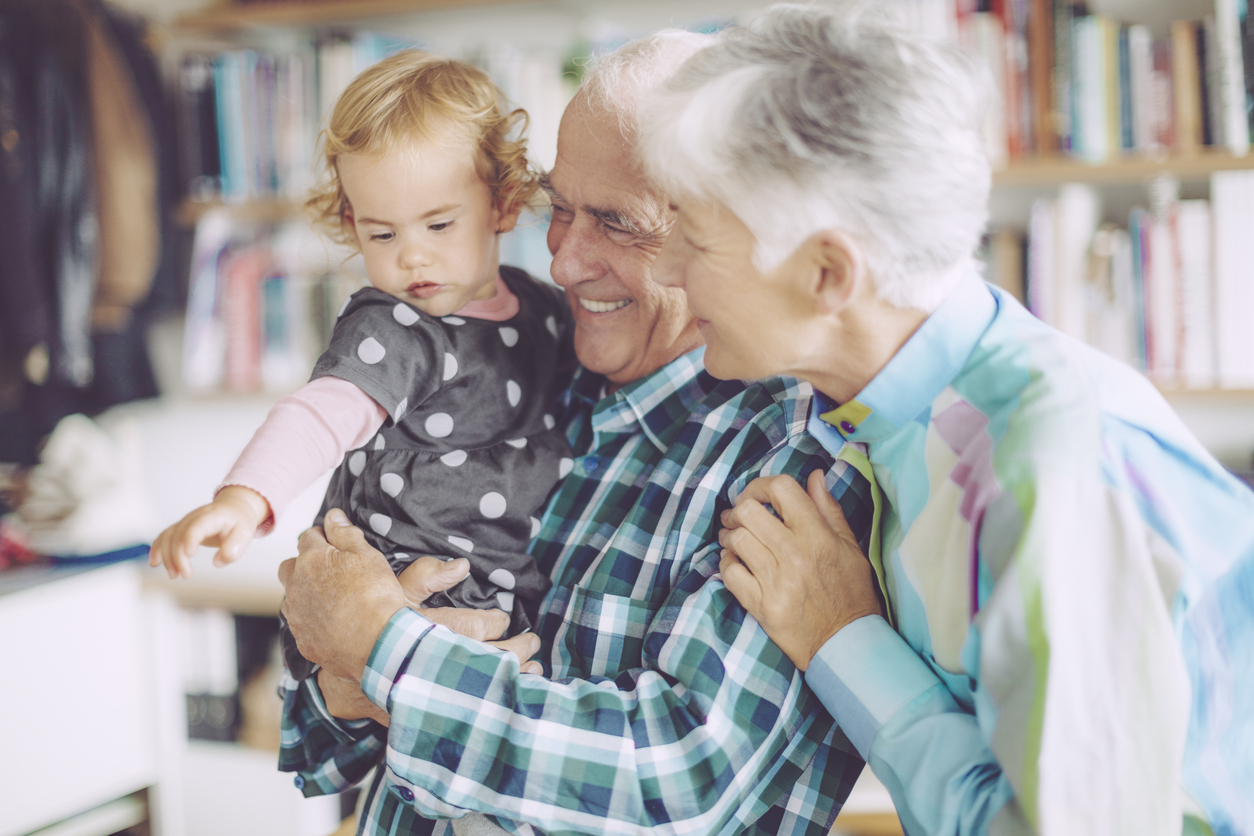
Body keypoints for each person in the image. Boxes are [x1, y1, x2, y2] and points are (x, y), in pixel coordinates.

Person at [638, 5, 1254, 835]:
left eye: (697, 241)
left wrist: (843, 638)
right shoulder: (873, 411)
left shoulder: (1051, 471)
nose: (666, 269)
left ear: (827, 274)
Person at [277, 31, 879, 836]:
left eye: (617, 223)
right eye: (559, 208)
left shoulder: (788, 458)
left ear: (726, 233)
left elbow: (682, 785)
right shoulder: (487, 367)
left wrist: (382, 649)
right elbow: (313, 740)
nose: (562, 260)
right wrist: (344, 682)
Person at [149, 52, 575, 678]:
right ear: (350, 223)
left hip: (510, 583)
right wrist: (242, 501)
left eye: (438, 224)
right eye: (382, 234)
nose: (412, 257)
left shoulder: (542, 307)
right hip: (407, 587)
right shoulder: (395, 326)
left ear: (503, 205)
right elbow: (319, 416)